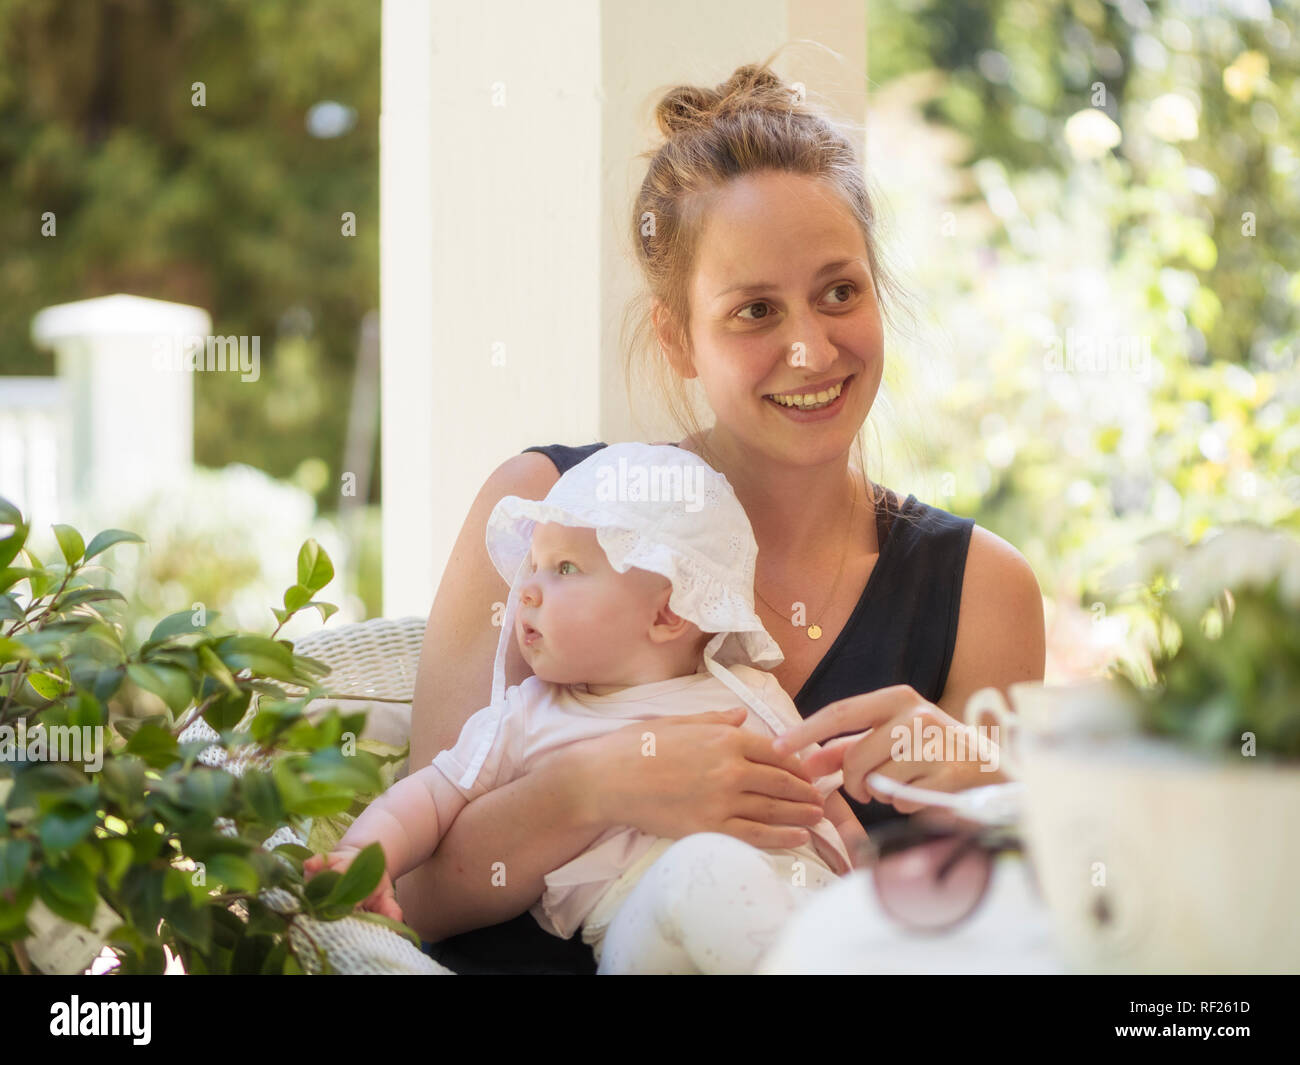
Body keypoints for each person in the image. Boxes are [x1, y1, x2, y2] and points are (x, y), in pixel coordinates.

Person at [397, 56, 1045, 974]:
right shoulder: (544, 512)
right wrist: (596, 786)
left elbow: (1013, 930)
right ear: (677, 337)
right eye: (753, 311)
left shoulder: (982, 588)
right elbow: (414, 899)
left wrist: (993, 781)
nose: (811, 347)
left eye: (839, 291)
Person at [308, 443, 864, 973]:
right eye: (533, 565)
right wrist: (364, 855)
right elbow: (428, 798)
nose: (526, 589)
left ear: (668, 614)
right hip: (650, 928)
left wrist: (871, 878)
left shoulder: (747, 694)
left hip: (803, 903)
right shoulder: (529, 716)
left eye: (565, 568)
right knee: (705, 874)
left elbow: (825, 800)